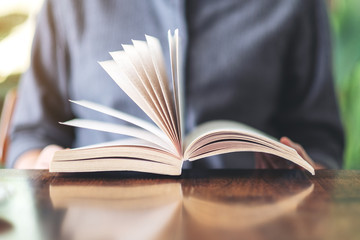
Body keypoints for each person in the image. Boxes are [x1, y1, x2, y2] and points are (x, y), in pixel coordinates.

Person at [7, 0, 344, 170]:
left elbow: (321, 138)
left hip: (251, 223)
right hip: (99, 223)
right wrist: (44, 162)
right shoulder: (70, 5)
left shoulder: (295, 5)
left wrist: (306, 169)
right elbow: (30, 137)